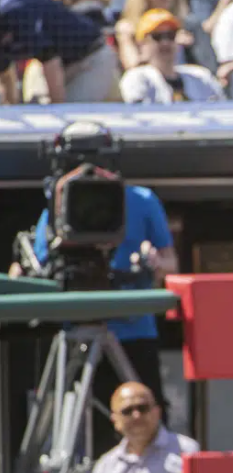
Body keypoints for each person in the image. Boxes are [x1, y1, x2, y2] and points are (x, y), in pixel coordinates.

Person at [17, 172, 178, 457]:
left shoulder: (143, 199)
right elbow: (36, 269)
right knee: (86, 431)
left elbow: (170, 264)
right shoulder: (58, 198)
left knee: (145, 417)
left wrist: (154, 264)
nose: (90, 171)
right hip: (75, 332)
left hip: (134, 331)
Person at [0, 0, 120, 104]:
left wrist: (55, 106)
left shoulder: (13, 11)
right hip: (55, 65)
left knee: (71, 115)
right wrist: (12, 105)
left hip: (91, 59)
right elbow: (5, 71)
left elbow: (50, 59)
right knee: (36, 109)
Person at [120, 9, 225, 103]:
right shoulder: (137, 77)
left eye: (171, 35)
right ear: (142, 44)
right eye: (157, 37)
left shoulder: (200, 76)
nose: (165, 42)